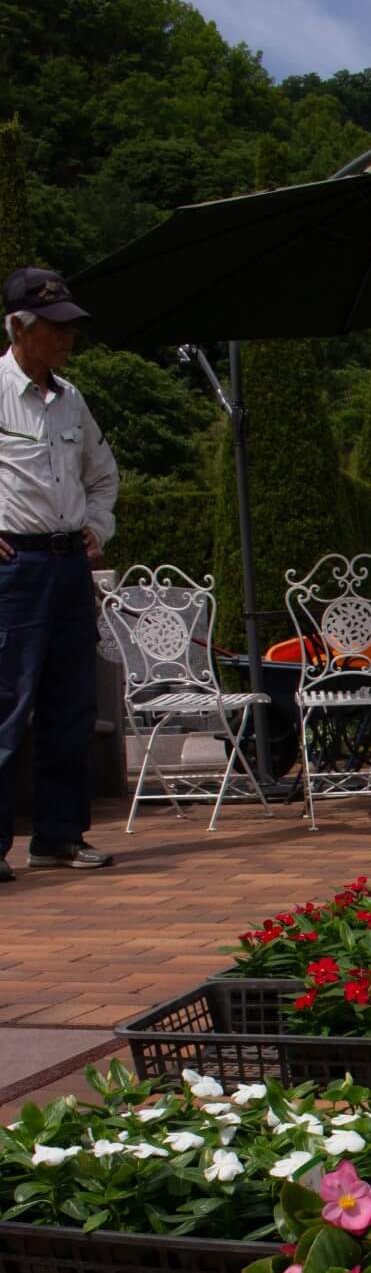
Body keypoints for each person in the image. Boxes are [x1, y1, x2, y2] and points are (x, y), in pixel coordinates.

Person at [0, 266, 119, 881]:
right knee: (5, 703)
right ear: (19, 326)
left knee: (71, 704)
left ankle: (59, 836)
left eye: (71, 328)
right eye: (55, 328)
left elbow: (103, 474)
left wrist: (98, 525)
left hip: (70, 564)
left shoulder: (72, 399)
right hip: (12, 568)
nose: (68, 339)